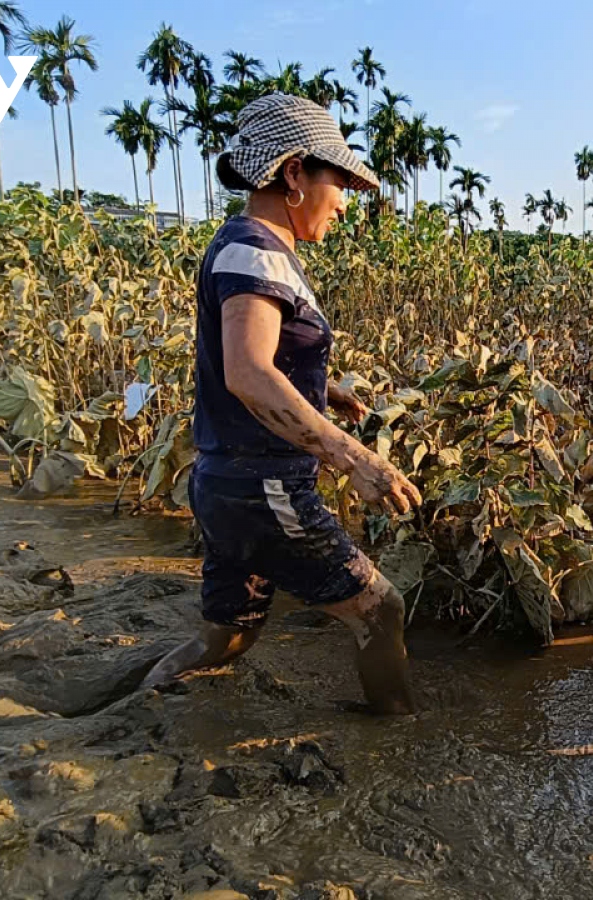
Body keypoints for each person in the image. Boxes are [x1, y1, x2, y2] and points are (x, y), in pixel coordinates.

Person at [142, 94, 421, 713]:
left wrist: (324, 392)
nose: (346, 201)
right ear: (294, 173)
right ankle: (398, 740)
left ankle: (132, 702)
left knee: (228, 634)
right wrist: (355, 460)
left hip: (226, 483)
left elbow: (247, 359)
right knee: (382, 609)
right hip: (264, 487)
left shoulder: (249, 245)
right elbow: (246, 371)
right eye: (339, 181)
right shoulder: (255, 249)